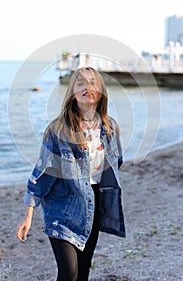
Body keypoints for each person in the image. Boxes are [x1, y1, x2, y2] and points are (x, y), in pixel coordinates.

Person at [17, 66, 125, 281]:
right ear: (72, 92)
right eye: (81, 83)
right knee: (69, 273)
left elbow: (116, 162)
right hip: (62, 208)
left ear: (101, 91)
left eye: (93, 82)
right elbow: (41, 173)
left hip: (93, 205)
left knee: (83, 271)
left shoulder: (109, 127)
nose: (87, 87)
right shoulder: (58, 130)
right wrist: (28, 214)